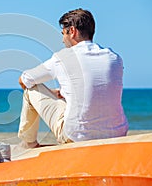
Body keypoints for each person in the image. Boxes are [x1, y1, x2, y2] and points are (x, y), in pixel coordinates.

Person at [18, 8, 128, 148]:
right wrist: (60, 92)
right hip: (117, 134)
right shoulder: (114, 57)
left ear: (72, 31)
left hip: (76, 136)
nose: (62, 39)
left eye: (63, 33)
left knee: (30, 88)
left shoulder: (62, 57)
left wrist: (52, 94)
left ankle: (29, 144)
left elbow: (24, 79)